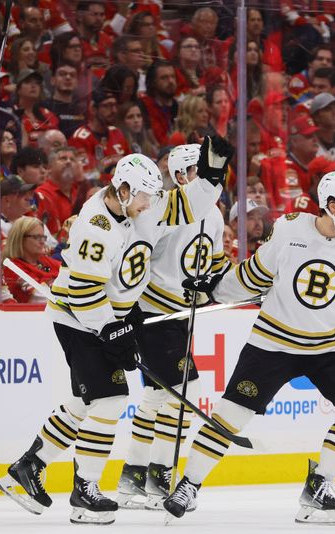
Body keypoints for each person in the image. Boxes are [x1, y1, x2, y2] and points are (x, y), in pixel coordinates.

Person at [0, 136, 232, 525]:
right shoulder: (96, 226)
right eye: (142, 198)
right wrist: (112, 329)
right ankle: (84, 490)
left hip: (107, 317)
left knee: (86, 401)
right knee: (110, 401)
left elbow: (186, 205)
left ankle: (29, 466)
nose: (148, 205)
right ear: (122, 190)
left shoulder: (142, 204)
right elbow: (85, 292)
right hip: (78, 319)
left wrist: (212, 176)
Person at [163, 172, 335, 526]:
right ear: (331, 205)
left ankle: (320, 485)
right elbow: (254, 276)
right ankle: (188, 486)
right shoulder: (290, 229)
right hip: (271, 344)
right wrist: (215, 290)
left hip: (327, 346)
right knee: (229, 416)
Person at [116, 144, 230, 509]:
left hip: (181, 317)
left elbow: (212, 265)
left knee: (157, 397)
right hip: (152, 315)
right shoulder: (161, 212)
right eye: (199, 171)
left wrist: (213, 286)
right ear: (180, 177)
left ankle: (134, 476)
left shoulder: (214, 216)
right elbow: (135, 259)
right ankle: (159, 475)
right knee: (187, 390)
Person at [3, 216, 61, 303]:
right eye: (37, 237)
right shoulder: (12, 268)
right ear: (20, 238)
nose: (42, 242)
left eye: (43, 237)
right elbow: (42, 299)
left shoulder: (46, 261)